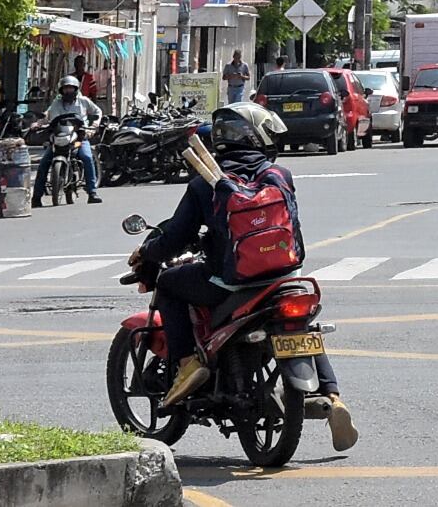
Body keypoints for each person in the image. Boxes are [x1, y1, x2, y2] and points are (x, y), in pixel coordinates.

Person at [130, 104, 358, 451]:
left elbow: (175, 237)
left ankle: (187, 363)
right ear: (259, 136)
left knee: (169, 283)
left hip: (231, 283)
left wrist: (148, 253)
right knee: (302, 328)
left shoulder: (205, 183)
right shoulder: (280, 175)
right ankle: (334, 398)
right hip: (285, 276)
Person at [33, 77, 101, 206]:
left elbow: (97, 111)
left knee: (86, 157)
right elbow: (48, 116)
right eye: (65, 88)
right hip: (59, 137)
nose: (68, 91)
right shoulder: (56, 103)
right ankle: (36, 197)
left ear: (75, 89)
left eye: (70, 88)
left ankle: (92, 192)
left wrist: (94, 125)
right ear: (61, 90)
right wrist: (38, 124)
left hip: (79, 137)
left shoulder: (84, 101)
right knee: (43, 163)